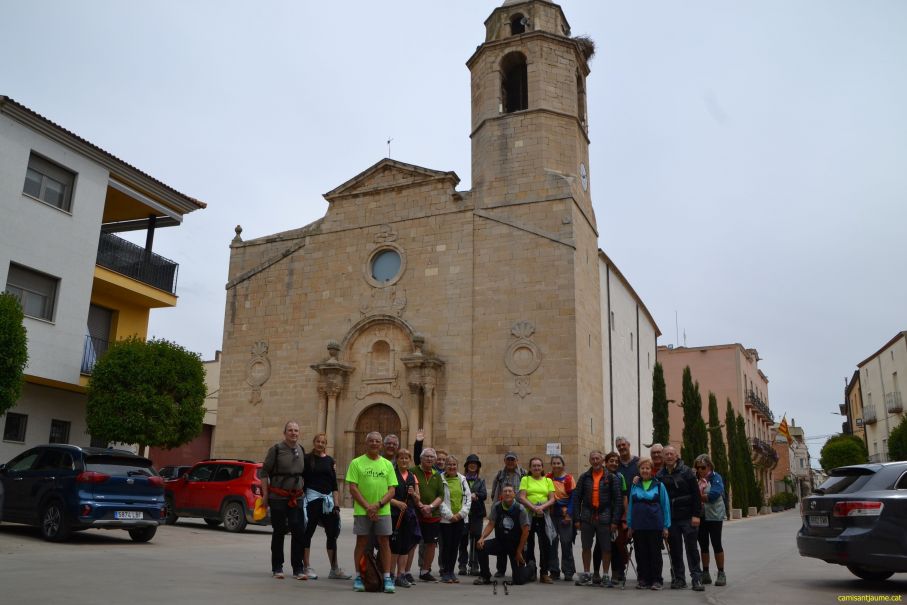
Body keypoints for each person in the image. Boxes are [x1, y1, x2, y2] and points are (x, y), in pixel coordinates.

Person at [346, 431, 398, 593]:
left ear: (381, 444)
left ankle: (387, 577)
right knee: (361, 543)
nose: (374, 443)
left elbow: (392, 490)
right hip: (362, 511)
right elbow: (353, 488)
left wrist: (378, 505)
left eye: (377, 441)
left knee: (384, 543)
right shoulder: (356, 463)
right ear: (366, 443)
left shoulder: (387, 465)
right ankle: (359, 576)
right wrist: (368, 506)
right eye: (371, 441)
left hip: (383, 510)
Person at [261, 421, 307, 580]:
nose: (293, 433)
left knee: (298, 532)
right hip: (278, 497)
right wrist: (265, 496)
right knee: (279, 531)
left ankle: (298, 569)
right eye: (290, 430)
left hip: (297, 497)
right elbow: (264, 473)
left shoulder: (301, 449)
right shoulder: (276, 449)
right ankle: (277, 567)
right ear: (284, 432)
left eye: (296, 430)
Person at [301, 433, 350, 580]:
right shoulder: (307, 459)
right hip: (312, 500)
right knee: (307, 533)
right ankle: (306, 566)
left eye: (323, 442)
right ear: (314, 442)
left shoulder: (329, 460)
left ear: (325, 444)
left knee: (332, 534)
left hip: (328, 502)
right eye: (318, 441)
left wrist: (336, 504)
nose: (320, 444)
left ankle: (334, 569)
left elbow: (334, 484)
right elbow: (302, 479)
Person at [572, 450, 622, 587]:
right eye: (593, 458)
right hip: (587, 517)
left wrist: (615, 521)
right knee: (586, 547)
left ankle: (606, 575)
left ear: (602, 460)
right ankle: (587, 574)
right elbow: (576, 499)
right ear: (589, 461)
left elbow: (618, 501)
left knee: (606, 548)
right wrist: (577, 519)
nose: (595, 461)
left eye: (598, 458)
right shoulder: (584, 477)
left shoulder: (611, 477)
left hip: (605, 517)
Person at [658, 445, 704, 591]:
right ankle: (679, 579)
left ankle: (697, 578)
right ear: (663, 458)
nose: (669, 457)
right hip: (671, 519)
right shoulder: (660, 475)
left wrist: (696, 515)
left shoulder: (687, 472)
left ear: (676, 456)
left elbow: (696, 495)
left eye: (672, 454)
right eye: (666, 454)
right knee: (675, 550)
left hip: (688, 517)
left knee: (692, 549)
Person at [627, 458, 670, 590]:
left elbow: (665, 505)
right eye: (642, 468)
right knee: (641, 553)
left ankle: (657, 580)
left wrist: (666, 526)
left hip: (655, 525)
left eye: (647, 468)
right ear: (639, 470)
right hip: (639, 525)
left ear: (652, 471)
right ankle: (643, 579)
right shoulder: (635, 485)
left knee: (655, 553)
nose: (645, 470)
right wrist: (630, 525)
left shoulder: (659, 485)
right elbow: (630, 506)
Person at [473, 485, 530, 585]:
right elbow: (491, 524)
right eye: (505, 491)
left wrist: (519, 551)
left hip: (516, 546)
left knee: (519, 581)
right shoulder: (497, 506)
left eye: (510, 491)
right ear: (501, 494)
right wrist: (482, 538)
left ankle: (531, 568)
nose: (507, 493)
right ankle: (485, 576)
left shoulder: (520, 509)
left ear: (514, 494)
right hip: (501, 542)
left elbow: (526, 532)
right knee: (480, 546)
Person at [518, 457, 556, 584]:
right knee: (529, 545)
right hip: (529, 516)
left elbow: (552, 499)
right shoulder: (525, 479)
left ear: (542, 468)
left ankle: (544, 573)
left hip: (543, 516)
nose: (536, 468)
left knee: (545, 545)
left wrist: (541, 507)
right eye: (534, 466)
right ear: (530, 468)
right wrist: (534, 508)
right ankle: (531, 571)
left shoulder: (548, 480)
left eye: (539, 465)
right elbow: (522, 497)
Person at [490, 451, 526, 577]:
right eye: (508, 459)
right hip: (501, 512)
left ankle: (519, 565)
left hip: (517, 512)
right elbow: (494, 492)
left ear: (517, 461)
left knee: (517, 539)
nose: (510, 462)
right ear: (504, 461)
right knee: (500, 540)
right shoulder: (500, 474)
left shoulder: (523, 474)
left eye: (513, 459)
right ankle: (501, 569)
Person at [389, 448, 421, 588]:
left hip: (408, 515)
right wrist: (397, 503)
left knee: (405, 546)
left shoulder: (412, 476)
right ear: (397, 459)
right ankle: (390, 574)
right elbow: (385, 495)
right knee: (394, 546)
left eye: (406, 458)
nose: (404, 460)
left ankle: (400, 575)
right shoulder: (391, 474)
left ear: (410, 460)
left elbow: (418, 498)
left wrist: (413, 493)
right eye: (401, 458)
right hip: (394, 514)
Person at [411, 446, 443, 582]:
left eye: (432, 457)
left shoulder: (437, 475)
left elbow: (440, 495)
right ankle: (405, 571)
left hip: (432, 515)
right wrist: (420, 506)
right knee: (412, 543)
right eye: (427, 456)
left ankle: (425, 571)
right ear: (421, 458)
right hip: (415, 514)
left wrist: (429, 507)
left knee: (431, 544)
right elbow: (410, 490)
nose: (429, 459)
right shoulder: (413, 471)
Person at [694, 453, 727, 586]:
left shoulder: (715, 477)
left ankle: (721, 573)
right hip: (701, 516)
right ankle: (705, 573)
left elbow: (714, 494)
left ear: (709, 466)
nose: (700, 470)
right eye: (698, 468)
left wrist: (698, 496)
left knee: (716, 543)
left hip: (714, 516)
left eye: (703, 467)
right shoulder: (696, 478)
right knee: (703, 545)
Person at [438, 456, 471, 583]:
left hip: (459, 519)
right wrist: (450, 515)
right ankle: (445, 572)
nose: (452, 467)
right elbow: (439, 499)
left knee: (455, 546)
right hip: (446, 520)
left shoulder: (462, 479)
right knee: (446, 546)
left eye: (454, 464)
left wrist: (460, 514)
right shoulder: (439, 479)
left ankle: (451, 571)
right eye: (449, 465)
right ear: (445, 466)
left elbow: (467, 499)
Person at [546, 455, 575, 582]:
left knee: (566, 543)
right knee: (552, 543)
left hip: (564, 515)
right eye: (554, 463)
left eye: (558, 463)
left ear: (563, 464)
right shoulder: (547, 478)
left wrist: (569, 513)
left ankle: (568, 571)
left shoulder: (568, 479)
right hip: (551, 514)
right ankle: (554, 571)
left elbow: (573, 498)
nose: (556, 465)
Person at [604, 451, 630, 588]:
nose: (614, 463)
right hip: (604, 516)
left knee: (619, 544)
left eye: (616, 461)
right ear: (606, 462)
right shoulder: (601, 476)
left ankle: (619, 571)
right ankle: (604, 573)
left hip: (618, 516)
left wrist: (626, 516)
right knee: (605, 546)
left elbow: (624, 497)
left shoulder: (621, 477)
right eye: (611, 461)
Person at [459, 453, 487, 576]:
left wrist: (477, 495)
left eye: (474, 464)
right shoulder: (461, 479)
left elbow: (484, 494)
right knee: (463, 539)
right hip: (464, 514)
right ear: (467, 466)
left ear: (477, 466)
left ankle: (474, 564)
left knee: (476, 539)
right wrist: (470, 495)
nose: (472, 466)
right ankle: (462, 565)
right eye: (470, 464)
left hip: (477, 514)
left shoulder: (481, 481)